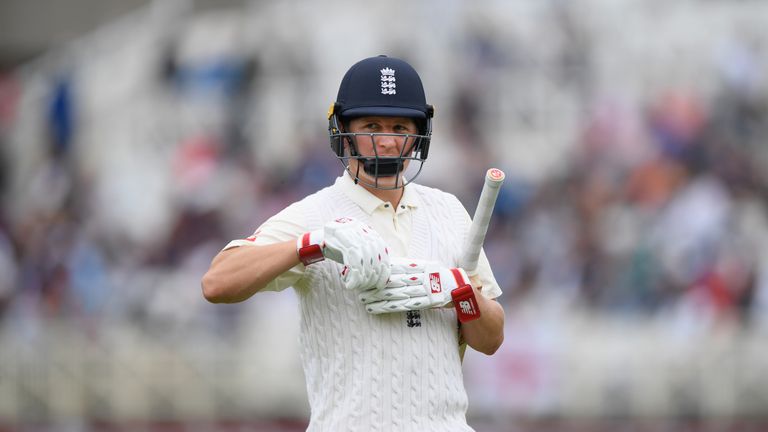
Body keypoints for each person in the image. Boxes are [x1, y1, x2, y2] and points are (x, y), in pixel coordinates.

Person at [202, 55, 505, 431]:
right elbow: (217, 283)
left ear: (419, 134)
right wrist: (311, 245)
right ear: (343, 130)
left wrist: (461, 293)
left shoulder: (448, 211)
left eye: (399, 126)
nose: (388, 141)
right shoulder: (315, 214)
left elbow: (490, 339)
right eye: (372, 125)